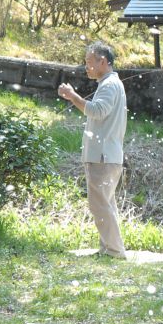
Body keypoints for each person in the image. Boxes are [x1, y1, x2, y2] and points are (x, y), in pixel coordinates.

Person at [58, 41, 127, 259]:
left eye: (89, 62)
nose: (86, 67)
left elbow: (97, 111)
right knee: (105, 205)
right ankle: (108, 250)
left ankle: (114, 252)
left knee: (100, 207)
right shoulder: (110, 83)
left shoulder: (108, 85)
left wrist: (73, 96)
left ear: (103, 62)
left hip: (103, 157)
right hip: (107, 155)